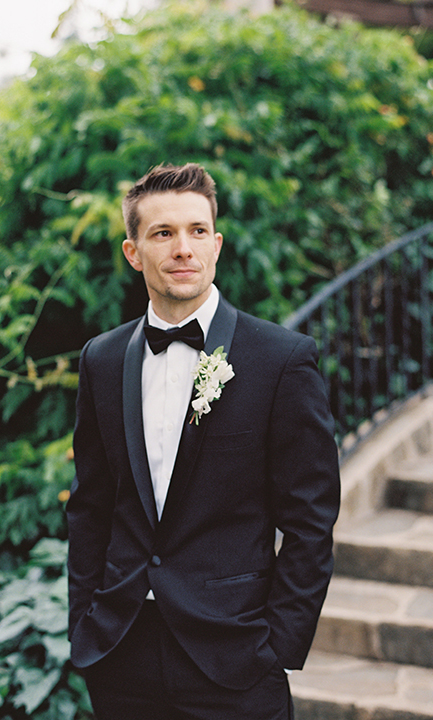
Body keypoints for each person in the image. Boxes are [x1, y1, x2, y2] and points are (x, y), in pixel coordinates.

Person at [66, 163, 340, 720]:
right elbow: (91, 504)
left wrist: (278, 647)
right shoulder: (102, 358)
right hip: (121, 654)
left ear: (216, 245)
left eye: (196, 231)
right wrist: (85, 625)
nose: (182, 248)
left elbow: (311, 520)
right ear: (133, 252)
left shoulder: (281, 359)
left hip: (235, 659)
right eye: (162, 233)